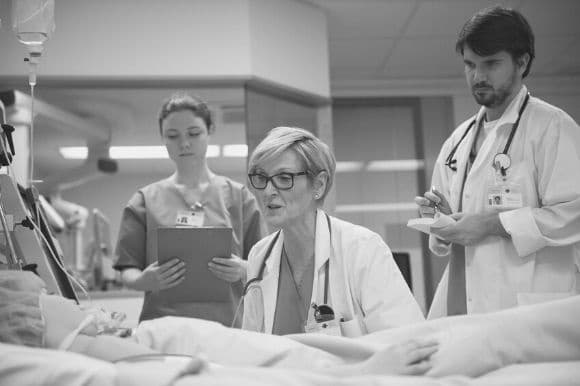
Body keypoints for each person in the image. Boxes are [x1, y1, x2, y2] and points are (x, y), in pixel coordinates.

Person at [415, 6, 580, 318]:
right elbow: (447, 238)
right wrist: (443, 221)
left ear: (522, 62)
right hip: (461, 303)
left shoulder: (552, 127)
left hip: (529, 309)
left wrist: (492, 224)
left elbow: (573, 215)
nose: (478, 76)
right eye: (470, 64)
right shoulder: (457, 142)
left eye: (491, 64)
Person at [243, 126, 424, 337]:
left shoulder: (361, 248)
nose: (268, 191)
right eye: (261, 178)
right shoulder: (260, 255)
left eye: (284, 178)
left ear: (319, 184)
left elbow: (407, 341)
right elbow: (252, 346)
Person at [114, 93, 267, 324]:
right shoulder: (145, 200)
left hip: (227, 328)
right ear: (163, 139)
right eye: (172, 136)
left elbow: (263, 266)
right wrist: (144, 280)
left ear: (209, 131)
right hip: (164, 327)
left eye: (194, 133)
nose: (184, 143)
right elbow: (127, 269)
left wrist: (243, 269)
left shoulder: (239, 198)